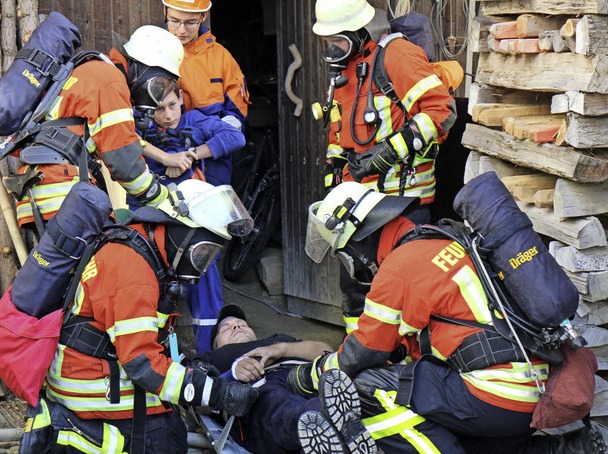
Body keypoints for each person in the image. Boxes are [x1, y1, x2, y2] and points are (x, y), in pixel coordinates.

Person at [292, 181, 602, 453]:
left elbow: (365, 350)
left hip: (497, 395)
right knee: (438, 398)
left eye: (346, 256)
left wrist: (312, 375)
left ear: (358, 240)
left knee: (368, 385)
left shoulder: (399, 266)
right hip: (536, 386)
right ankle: (569, 448)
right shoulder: (446, 238)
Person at [19, 180, 259, 454]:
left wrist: (195, 372)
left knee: (170, 425)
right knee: (167, 438)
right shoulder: (134, 272)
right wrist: (218, 394)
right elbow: (142, 363)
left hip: (102, 378)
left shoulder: (142, 251)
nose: (202, 265)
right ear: (181, 232)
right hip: (92, 393)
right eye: (202, 251)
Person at [311, 0, 457, 335]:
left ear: (361, 33)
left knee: (403, 291)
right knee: (355, 289)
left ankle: (402, 369)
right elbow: (340, 133)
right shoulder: (344, 71)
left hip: (402, 202)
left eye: (339, 42)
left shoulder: (397, 56)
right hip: (358, 204)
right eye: (326, 43)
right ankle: (356, 356)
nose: (332, 50)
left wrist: (389, 152)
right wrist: (335, 177)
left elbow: (442, 112)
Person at [14, 25, 186, 230]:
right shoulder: (110, 82)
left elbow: (115, 137)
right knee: (111, 258)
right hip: (63, 192)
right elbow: (123, 160)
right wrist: (161, 199)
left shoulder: (92, 70)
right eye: (158, 84)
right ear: (142, 68)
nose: (157, 94)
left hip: (43, 188)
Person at [131, 81, 246, 354]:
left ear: (182, 98)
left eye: (172, 105)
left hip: (194, 222)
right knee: (148, 287)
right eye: (159, 110)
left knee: (204, 283)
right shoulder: (139, 129)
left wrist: (191, 155)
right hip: (153, 222)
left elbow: (234, 137)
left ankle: (210, 355)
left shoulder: (194, 120)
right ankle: (155, 357)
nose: (169, 116)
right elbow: (122, 140)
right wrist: (166, 158)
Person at [192, 303, 376, 454]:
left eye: (242, 324)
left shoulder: (279, 339)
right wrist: (232, 375)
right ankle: (331, 423)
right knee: (276, 402)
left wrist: (282, 349)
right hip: (258, 386)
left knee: (333, 383)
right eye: (226, 328)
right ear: (216, 345)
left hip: (304, 375)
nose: (237, 326)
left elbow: (326, 351)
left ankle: (330, 426)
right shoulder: (213, 358)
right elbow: (193, 394)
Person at [162, 0, 249, 139]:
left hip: (212, 151)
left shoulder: (221, 58)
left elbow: (237, 114)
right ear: (165, 11)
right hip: (164, 147)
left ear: (203, 16)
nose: (182, 30)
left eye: (190, 22)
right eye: (174, 21)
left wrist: (217, 137)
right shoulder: (151, 52)